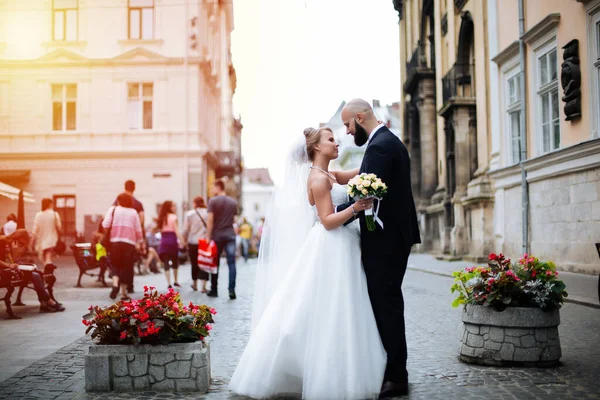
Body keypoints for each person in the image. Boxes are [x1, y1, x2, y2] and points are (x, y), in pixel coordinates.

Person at [229, 127, 384, 399]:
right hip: (331, 245)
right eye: (331, 140)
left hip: (342, 244)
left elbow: (358, 172)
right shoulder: (318, 179)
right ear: (316, 148)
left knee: (343, 303)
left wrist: (376, 150)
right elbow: (326, 221)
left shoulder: (328, 174)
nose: (338, 143)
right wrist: (356, 208)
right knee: (330, 305)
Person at [337, 98, 421, 397]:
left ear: (360, 118)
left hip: (387, 240)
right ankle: (392, 369)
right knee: (387, 303)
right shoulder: (384, 141)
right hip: (392, 237)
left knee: (386, 304)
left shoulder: (380, 146)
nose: (347, 131)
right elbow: (366, 182)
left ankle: (397, 375)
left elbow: (369, 194)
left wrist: (333, 215)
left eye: (348, 124)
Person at [0, 229, 65, 313]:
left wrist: (17, 251)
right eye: (22, 243)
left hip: (10, 270)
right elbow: (7, 262)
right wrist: (9, 265)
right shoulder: (2, 242)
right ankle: (49, 301)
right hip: (3, 271)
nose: (21, 245)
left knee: (37, 273)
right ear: (17, 237)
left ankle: (43, 304)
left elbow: (13, 261)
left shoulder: (13, 244)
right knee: (35, 275)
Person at [102, 193, 143, 301]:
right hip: (129, 244)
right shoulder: (133, 212)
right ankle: (123, 293)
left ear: (119, 201)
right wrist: (140, 242)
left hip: (115, 242)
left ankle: (115, 284)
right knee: (126, 267)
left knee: (115, 264)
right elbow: (138, 230)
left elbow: (105, 224)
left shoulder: (113, 210)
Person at [206, 180, 239, 299]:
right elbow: (236, 221)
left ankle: (214, 289)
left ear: (218, 187)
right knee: (231, 263)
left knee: (215, 263)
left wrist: (208, 237)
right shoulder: (233, 202)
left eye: (213, 187)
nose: (211, 190)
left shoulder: (213, 201)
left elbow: (210, 220)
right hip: (230, 235)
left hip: (217, 235)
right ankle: (231, 290)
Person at [113, 180, 145, 293]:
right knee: (128, 264)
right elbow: (141, 220)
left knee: (117, 262)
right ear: (134, 188)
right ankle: (129, 287)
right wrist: (139, 239)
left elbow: (110, 219)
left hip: (116, 238)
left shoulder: (117, 201)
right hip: (131, 239)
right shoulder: (138, 204)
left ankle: (117, 283)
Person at [182, 196, 209, 292]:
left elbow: (185, 229)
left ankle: (194, 283)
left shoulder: (189, 214)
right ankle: (203, 286)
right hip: (204, 241)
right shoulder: (207, 213)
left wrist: (183, 240)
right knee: (204, 263)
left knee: (194, 263)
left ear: (195, 203)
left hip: (192, 241)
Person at [157, 201, 184, 289]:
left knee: (166, 262)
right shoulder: (173, 217)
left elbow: (160, 230)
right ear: (169, 207)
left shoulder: (161, 218)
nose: (174, 208)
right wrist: (182, 240)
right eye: (173, 206)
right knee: (175, 260)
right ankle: (175, 281)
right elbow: (176, 230)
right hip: (172, 240)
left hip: (164, 240)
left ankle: (169, 283)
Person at [31, 198, 61, 266]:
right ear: (50, 204)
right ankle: (48, 268)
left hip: (41, 240)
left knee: (43, 257)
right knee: (48, 256)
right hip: (51, 239)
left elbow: (35, 229)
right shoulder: (54, 214)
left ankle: (46, 268)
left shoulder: (38, 215)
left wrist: (32, 241)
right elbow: (59, 227)